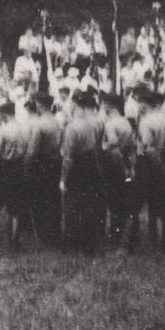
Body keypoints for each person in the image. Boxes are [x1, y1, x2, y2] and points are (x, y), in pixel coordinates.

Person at [58, 92, 107, 254]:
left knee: (71, 207)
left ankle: (72, 245)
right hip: (91, 166)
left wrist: (63, 178)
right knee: (88, 207)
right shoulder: (94, 124)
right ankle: (88, 244)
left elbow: (68, 157)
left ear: (76, 106)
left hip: (77, 168)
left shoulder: (72, 127)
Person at [128, 91, 165, 249]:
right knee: (160, 202)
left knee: (135, 204)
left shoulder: (146, 122)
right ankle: (162, 241)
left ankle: (131, 243)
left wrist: (138, 156)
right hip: (162, 156)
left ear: (143, 104)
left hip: (148, 164)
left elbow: (148, 149)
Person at [0, 101, 28, 250]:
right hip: (18, 168)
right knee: (15, 208)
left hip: (3, 169)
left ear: (3, 114)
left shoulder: (3, 130)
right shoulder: (23, 129)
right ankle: (14, 241)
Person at [98, 92, 137, 251]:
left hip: (114, 166)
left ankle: (115, 238)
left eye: (103, 104)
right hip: (125, 164)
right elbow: (132, 147)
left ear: (109, 105)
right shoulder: (126, 123)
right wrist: (130, 168)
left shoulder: (110, 124)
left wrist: (106, 148)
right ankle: (122, 237)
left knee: (114, 204)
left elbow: (113, 147)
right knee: (122, 203)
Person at [25, 94, 64, 248]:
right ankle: (55, 233)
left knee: (40, 199)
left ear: (40, 105)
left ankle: (44, 237)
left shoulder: (40, 124)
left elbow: (32, 151)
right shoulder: (57, 122)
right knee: (54, 200)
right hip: (55, 162)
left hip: (41, 163)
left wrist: (26, 166)